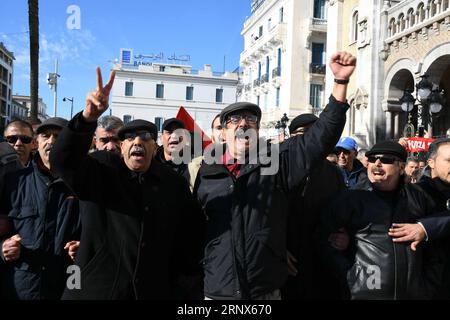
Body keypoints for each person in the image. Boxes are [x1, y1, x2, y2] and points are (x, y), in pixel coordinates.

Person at [194, 51, 356, 300]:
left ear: (257, 131)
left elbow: (320, 138)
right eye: (234, 120)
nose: (243, 124)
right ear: (223, 133)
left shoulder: (277, 164)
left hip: (264, 290)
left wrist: (340, 83)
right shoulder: (207, 173)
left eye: (250, 119)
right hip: (219, 290)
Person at [50, 67, 204, 300]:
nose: (137, 141)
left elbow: (189, 239)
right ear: (121, 148)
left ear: (155, 147)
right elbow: (62, 160)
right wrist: (87, 119)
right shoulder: (100, 170)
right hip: (94, 292)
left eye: (145, 137)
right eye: (129, 138)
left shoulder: (173, 185)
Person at [319, 141, 440, 299]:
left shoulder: (420, 197)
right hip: (363, 293)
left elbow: (438, 241)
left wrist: (429, 283)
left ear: (401, 167)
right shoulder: (351, 199)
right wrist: (351, 275)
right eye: (372, 159)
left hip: (413, 293)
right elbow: (323, 239)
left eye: (387, 160)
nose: (377, 163)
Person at [0, 117, 81, 300]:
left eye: (58, 136)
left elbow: (98, 234)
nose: (52, 141)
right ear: (37, 143)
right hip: (21, 289)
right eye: (46, 136)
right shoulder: (12, 182)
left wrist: (82, 248)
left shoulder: (83, 186)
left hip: (68, 285)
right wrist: (2, 247)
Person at [283, 113, 345, 299]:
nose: (309, 139)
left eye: (314, 133)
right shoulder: (277, 169)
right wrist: (276, 248)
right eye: (303, 133)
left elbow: (342, 210)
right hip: (286, 262)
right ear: (291, 138)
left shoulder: (333, 173)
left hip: (322, 261)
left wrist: (344, 235)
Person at [388, 138, 450, 298]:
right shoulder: (414, 193)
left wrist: (426, 227)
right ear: (432, 162)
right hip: (427, 283)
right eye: (449, 160)